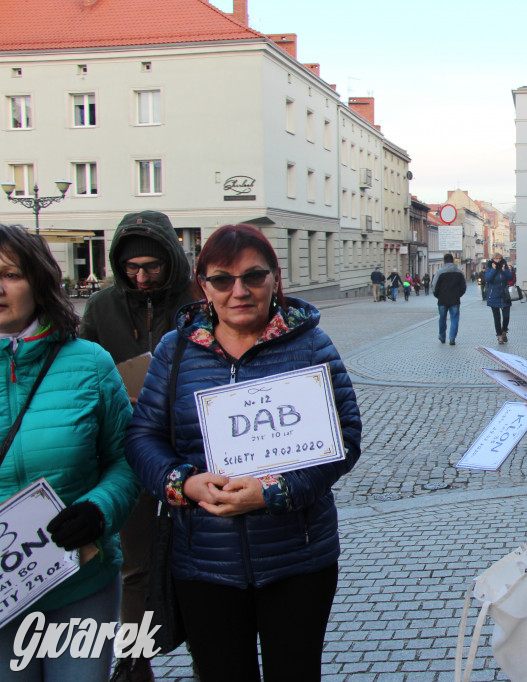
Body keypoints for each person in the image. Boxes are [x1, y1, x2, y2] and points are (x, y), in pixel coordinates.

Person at [124, 224, 362, 681]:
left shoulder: (310, 346)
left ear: (275, 278)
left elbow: (344, 439)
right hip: (203, 561)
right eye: (222, 279)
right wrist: (184, 483)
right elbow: (142, 438)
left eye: (254, 276)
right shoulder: (176, 352)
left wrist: (274, 493)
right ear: (203, 284)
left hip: (298, 557)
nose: (239, 291)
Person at [0, 224, 137, 680]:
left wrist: (99, 510)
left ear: (39, 282)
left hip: (81, 582)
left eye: (10, 274)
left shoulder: (89, 362)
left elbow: (127, 459)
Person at [79, 210, 195, 682]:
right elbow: (84, 370)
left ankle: (211, 657)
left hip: (193, 448)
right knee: (137, 568)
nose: (142, 277)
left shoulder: (197, 299)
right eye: (132, 268)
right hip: (132, 450)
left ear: (171, 260)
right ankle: (133, 663)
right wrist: (113, 396)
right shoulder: (103, 307)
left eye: (152, 267)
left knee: (203, 566)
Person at [433, 253, 467, 345]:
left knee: (442, 318)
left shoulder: (440, 272)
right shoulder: (459, 272)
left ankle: (442, 336)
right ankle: (452, 338)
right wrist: (458, 294)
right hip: (454, 299)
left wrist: (438, 295)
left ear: (444, 261)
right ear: (453, 261)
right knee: (454, 319)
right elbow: (463, 287)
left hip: (442, 299)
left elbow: (434, 286)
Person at [484, 253, 513, 344]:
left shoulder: (504, 267)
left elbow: (510, 278)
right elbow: (487, 279)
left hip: (505, 295)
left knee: (506, 317)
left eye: (499, 258)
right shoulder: (490, 268)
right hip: (494, 295)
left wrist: (505, 270)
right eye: (496, 259)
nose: (498, 260)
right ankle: (499, 336)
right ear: (493, 259)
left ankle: (504, 331)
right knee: (496, 318)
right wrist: (493, 270)